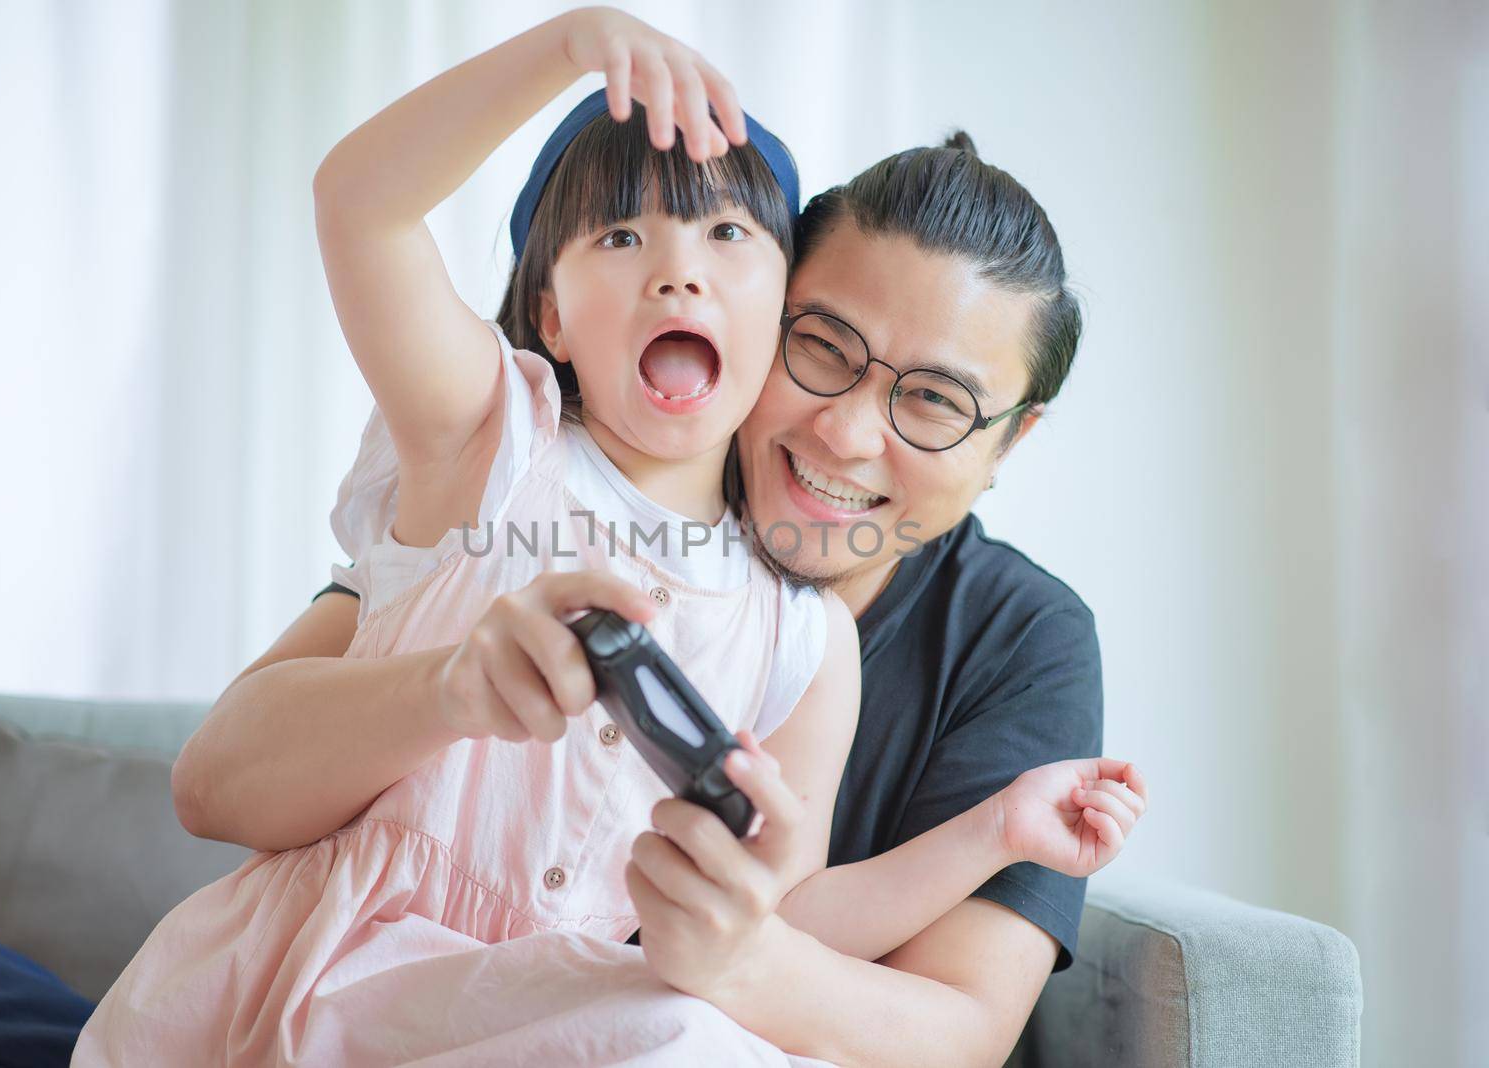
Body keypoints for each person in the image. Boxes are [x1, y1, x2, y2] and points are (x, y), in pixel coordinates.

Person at [74, 9, 1142, 1067]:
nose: (850, 432)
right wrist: (567, 43)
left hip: (542, 1013)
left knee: (694, 1034)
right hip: (329, 985)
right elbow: (362, 207)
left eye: (727, 236)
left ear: (1011, 438)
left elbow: (802, 922)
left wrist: (987, 835)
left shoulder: (825, 641)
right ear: (547, 314)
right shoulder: (492, 450)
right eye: (825, 347)